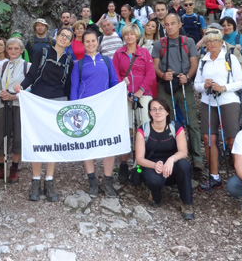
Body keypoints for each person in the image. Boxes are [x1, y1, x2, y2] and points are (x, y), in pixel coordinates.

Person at [14, 28, 74, 202]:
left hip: (58, 102)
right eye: (62, 35)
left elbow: (68, 85)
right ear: (56, 36)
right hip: (38, 101)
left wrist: (70, 105)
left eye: (68, 37)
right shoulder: (42, 52)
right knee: (38, 140)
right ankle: (35, 181)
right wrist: (22, 87)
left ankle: (49, 181)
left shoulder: (69, 60)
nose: (64, 38)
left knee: (53, 142)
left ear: (70, 42)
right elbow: (32, 75)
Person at [194, 29, 242, 192]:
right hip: (208, 101)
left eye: (215, 41)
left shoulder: (230, 57)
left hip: (228, 100)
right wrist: (205, 85)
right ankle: (214, 177)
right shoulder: (203, 61)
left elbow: (241, 82)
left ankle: (241, 176)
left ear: (221, 42)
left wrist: (224, 87)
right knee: (208, 138)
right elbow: (196, 85)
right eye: (208, 42)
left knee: (232, 139)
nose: (212, 44)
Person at [151, 13, 203, 173]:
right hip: (166, 87)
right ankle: (171, 156)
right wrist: (162, 75)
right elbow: (155, 67)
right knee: (168, 122)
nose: (169, 27)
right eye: (166, 24)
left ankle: (197, 160)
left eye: (173, 23)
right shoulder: (159, 44)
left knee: (192, 122)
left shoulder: (189, 42)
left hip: (183, 85)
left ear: (180, 24)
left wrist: (187, 77)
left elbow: (194, 63)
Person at [70, 30, 119, 197]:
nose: (90, 44)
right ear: (83, 44)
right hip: (86, 110)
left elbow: (114, 83)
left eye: (93, 41)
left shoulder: (106, 61)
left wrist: (115, 103)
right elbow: (74, 88)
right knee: (87, 145)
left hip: (105, 109)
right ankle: (92, 180)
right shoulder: (79, 64)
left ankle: (107, 180)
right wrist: (75, 110)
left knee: (108, 144)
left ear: (97, 42)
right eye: (87, 42)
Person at [135, 98, 194, 220]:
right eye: (154, 109)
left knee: (184, 164)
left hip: (171, 167)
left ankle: (187, 203)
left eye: (161, 109)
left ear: (167, 112)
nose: (157, 112)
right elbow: (139, 159)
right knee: (153, 181)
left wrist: (171, 159)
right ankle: (155, 194)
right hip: (150, 166)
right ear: (150, 113)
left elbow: (183, 152)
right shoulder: (143, 130)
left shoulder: (176, 128)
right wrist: (155, 165)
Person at [113, 24, 156, 184]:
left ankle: (139, 165)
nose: (129, 37)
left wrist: (140, 90)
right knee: (126, 129)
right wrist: (123, 90)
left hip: (143, 95)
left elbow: (150, 73)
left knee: (144, 129)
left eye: (132, 34)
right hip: (124, 95)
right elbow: (116, 74)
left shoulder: (144, 53)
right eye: (126, 34)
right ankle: (124, 164)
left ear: (137, 36)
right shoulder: (119, 53)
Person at [0, 37, 30, 183]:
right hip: (3, 104)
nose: (13, 51)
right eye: (10, 48)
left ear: (21, 50)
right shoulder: (2, 66)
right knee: (1, 136)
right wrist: (0, 94)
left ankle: (14, 168)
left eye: (16, 48)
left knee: (18, 136)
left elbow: (30, 89)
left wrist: (16, 97)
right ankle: (1, 168)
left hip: (18, 105)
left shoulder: (27, 66)